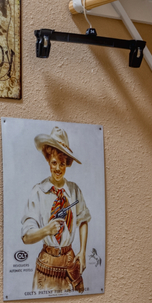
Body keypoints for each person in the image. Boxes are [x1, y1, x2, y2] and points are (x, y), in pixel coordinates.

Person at [20, 125, 90, 293]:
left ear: (67, 163)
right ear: (48, 160)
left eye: (63, 164)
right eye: (54, 163)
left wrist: (83, 251)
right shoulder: (38, 191)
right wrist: (46, 230)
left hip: (70, 267)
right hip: (46, 269)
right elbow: (26, 237)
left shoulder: (74, 190)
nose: (58, 168)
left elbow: (84, 220)